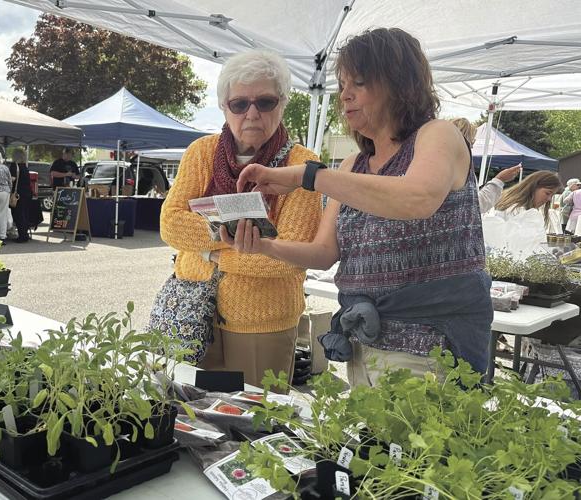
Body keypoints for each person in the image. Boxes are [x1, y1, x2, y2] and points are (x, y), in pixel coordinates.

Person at [232, 28, 494, 386]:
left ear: (400, 84)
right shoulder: (353, 164)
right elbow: (324, 253)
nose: (346, 96)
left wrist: (308, 176)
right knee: (374, 442)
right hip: (364, 342)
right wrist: (262, 246)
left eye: (359, 82)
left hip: (432, 344)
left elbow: (417, 197)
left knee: (419, 441)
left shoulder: (438, 135)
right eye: (342, 85)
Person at [160, 49, 323, 387]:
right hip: (192, 310)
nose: (251, 113)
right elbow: (170, 224)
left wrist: (210, 252)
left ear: (282, 103)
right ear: (225, 106)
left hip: (262, 321)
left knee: (254, 421)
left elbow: (288, 258)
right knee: (195, 413)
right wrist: (243, 242)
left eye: (264, 102)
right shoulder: (201, 153)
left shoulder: (301, 165)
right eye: (239, 104)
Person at [450, 117, 522, 213]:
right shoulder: (457, 169)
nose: (472, 147)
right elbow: (475, 205)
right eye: (471, 143)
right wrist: (499, 180)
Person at [9, 148, 32, 243]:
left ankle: (22, 236)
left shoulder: (14, 166)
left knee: (18, 215)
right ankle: (25, 234)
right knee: (25, 214)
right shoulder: (25, 167)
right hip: (27, 193)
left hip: (18, 194)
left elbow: (12, 179)